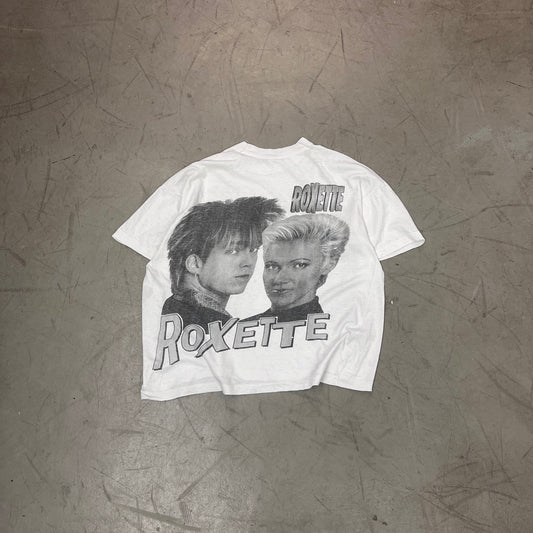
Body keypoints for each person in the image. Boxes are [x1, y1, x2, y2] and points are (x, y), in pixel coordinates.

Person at [162, 196, 284, 330]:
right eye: (233, 251)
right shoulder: (210, 325)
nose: (248, 262)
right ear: (195, 264)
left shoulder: (172, 307)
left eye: (253, 249)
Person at [247, 213, 350, 322]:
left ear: (328, 264)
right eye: (272, 266)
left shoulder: (335, 327)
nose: (279, 279)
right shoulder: (240, 327)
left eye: (299, 265)